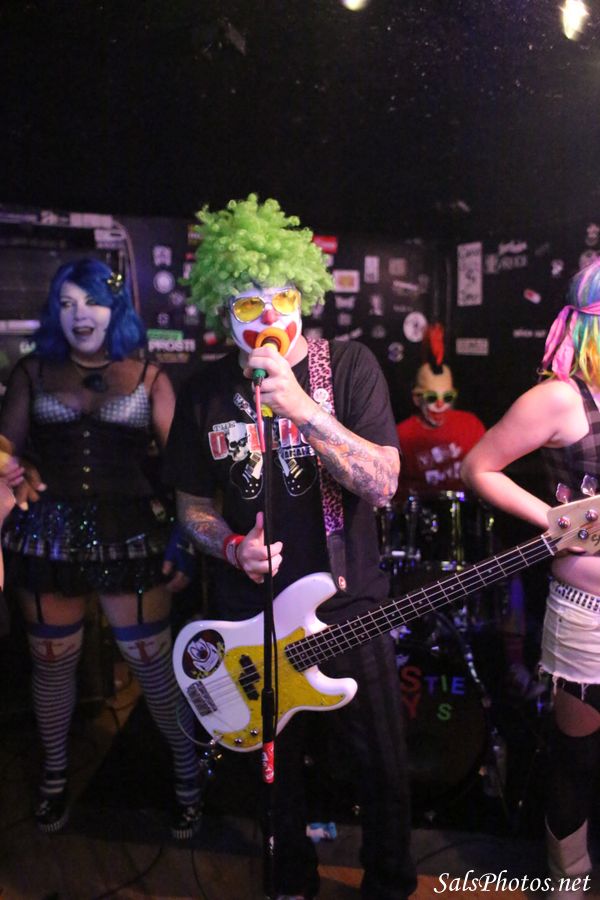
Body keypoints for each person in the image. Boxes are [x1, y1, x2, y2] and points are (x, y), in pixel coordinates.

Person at [163, 194, 417, 900]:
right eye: (250, 304)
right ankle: (292, 881)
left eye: (282, 298)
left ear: (303, 295)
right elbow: (190, 507)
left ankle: (388, 885)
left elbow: (383, 482)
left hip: (349, 606)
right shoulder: (203, 392)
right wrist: (228, 546)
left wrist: (303, 409)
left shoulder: (351, 367)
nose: (269, 316)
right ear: (223, 312)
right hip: (252, 617)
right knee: (275, 780)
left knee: (382, 769)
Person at [0, 258, 201, 839]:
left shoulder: (149, 377)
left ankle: (189, 776)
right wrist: (16, 466)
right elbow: (4, 447)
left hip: (131, 533)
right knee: (52, 664)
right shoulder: (33, 372)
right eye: (66, 304)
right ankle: (54, 778)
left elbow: (184, 467)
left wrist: (187, 537)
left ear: (116, 309)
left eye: (90, 301)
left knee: (151, 666)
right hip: (48, 534)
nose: (79, 314)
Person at [461, 258, 600, 897]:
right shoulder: (562, 398)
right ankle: (569, 879)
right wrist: (553, 518)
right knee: (578, 758)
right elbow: (479, 466)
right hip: (589, 616)